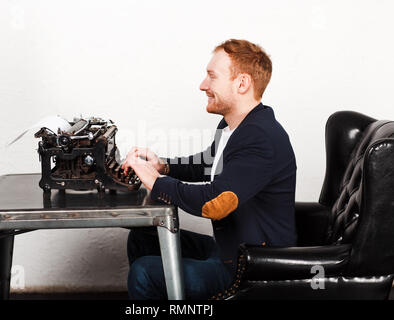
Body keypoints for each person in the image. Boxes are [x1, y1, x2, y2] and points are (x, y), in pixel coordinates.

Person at [121, 39, 297, 300]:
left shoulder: (260, 137)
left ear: (242, 83)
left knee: (145, 273)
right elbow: (209, 164)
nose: (203, 85)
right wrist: (163, 166)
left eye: (212, 76)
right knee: (142, 239)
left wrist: (156, 182)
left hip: (250, 267)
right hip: (229, 249)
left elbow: (216, 203)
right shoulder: (233, 128)